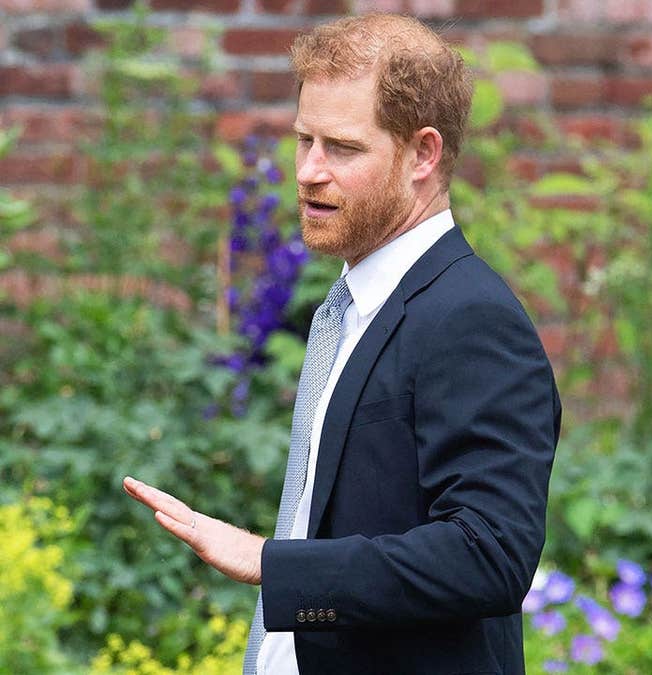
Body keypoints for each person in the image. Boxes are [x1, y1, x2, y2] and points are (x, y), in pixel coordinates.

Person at [124, 14, 559, 675]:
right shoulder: (351, 305)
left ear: (424, 154)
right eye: (304, 140)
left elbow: (489, 554)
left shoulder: (470, 317)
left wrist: (271, 562)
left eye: (343, 149)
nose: (308, 171)